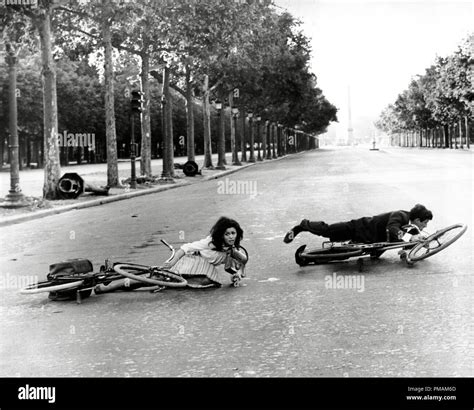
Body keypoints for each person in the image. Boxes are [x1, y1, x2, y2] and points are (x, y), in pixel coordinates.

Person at [161, 216, 248, 288]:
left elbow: (241, 262)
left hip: (207, 267)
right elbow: (186, 248)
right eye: (227, 234)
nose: (231, 237)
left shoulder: (232, 249)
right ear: (221, 235)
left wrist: (238, 273)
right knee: (170, 275)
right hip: (195, 260)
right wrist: (173, 262)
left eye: (233, 233)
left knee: (208, 282)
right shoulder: (210, 243)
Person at [283, 204, 433, 244]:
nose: (425, 227)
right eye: (424, 223)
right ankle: (303, 225)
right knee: (328, 231)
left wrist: (420, 242)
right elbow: (392, 229)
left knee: (341, 253)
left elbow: (407, 240)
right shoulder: (400, 215)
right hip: (360, 227)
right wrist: (410, 238)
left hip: (369, 239)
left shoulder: (411, 227)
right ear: (418, 219)